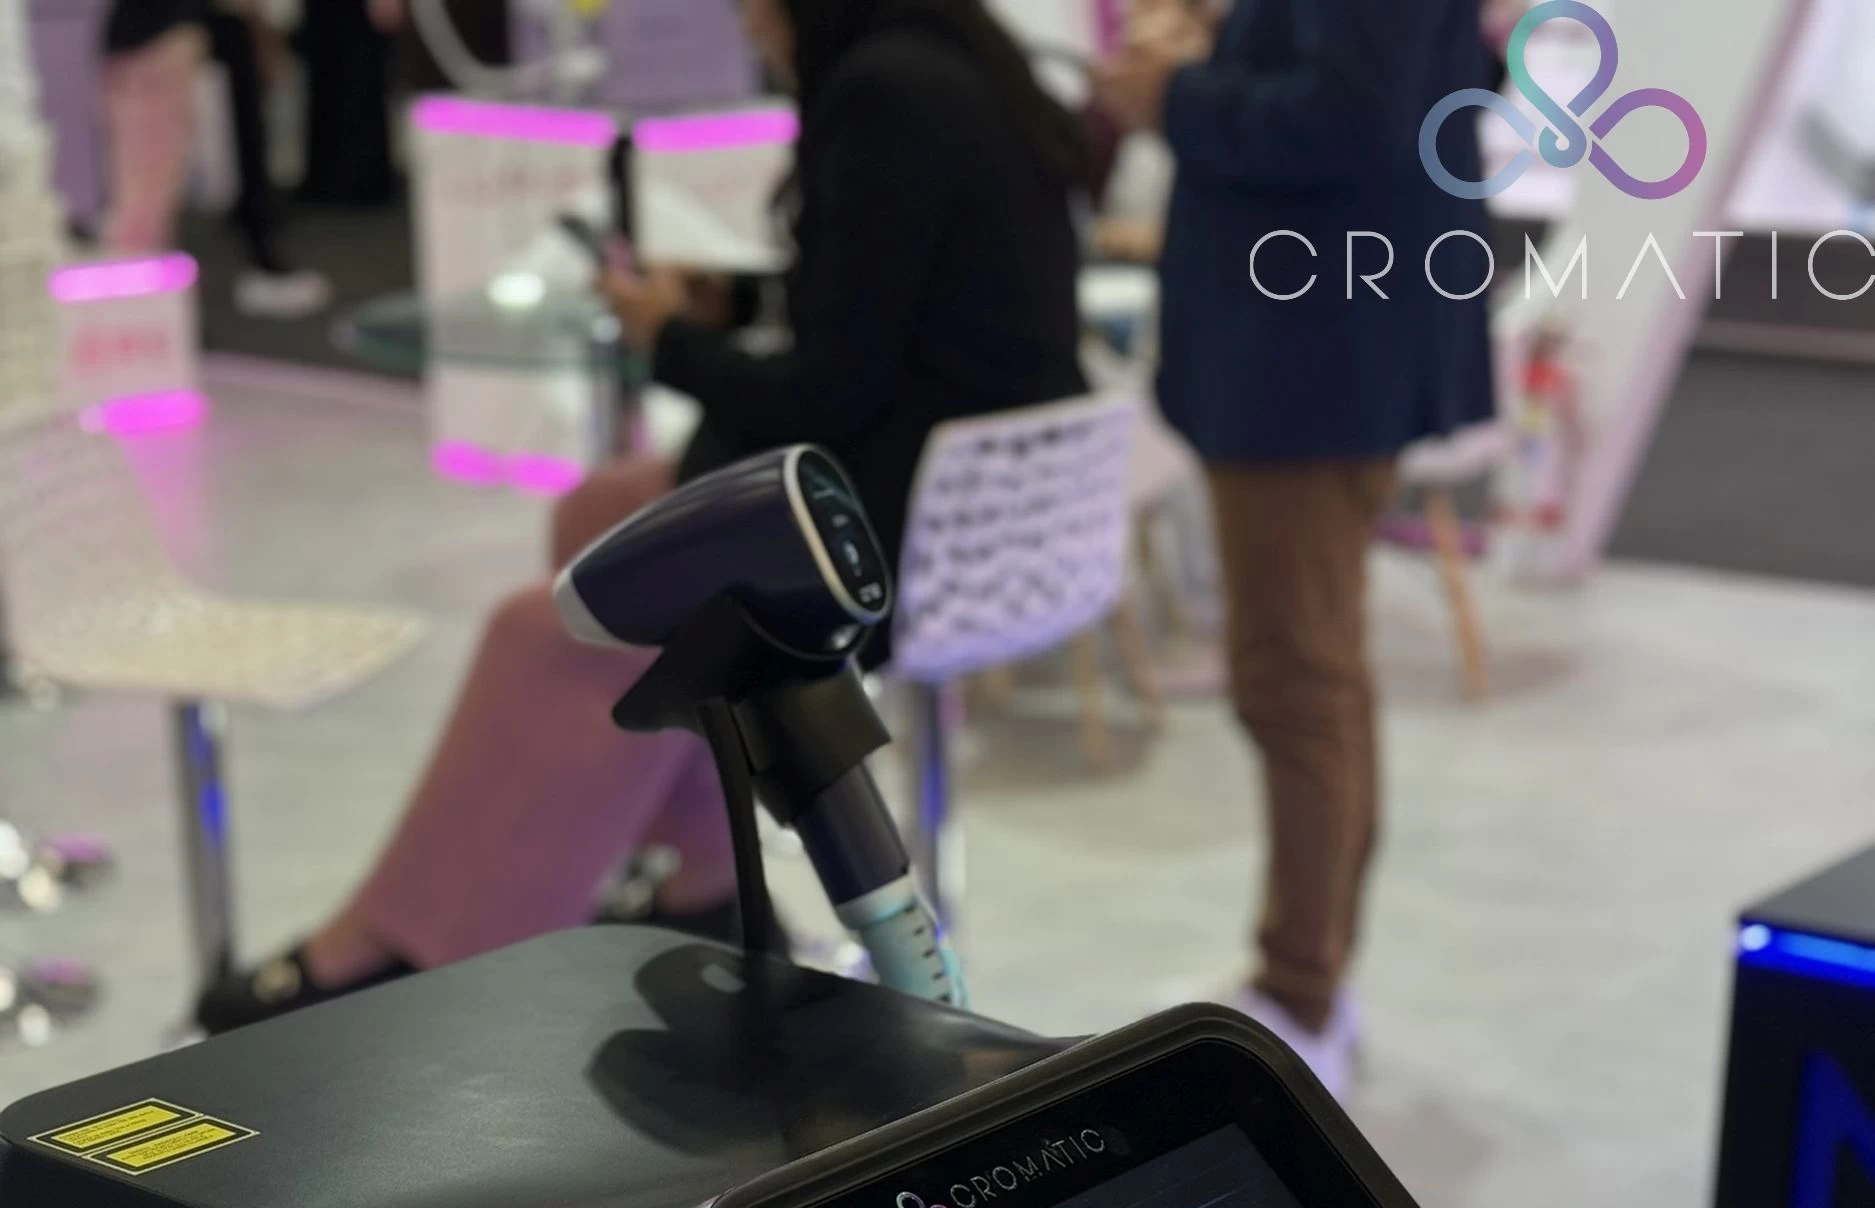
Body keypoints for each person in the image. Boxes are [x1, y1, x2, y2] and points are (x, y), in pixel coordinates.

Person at [199, 0, 1088, 1031]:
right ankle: (706, 884)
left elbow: (825, 391)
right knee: (600, 510)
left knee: (546, 629)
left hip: (898, 536)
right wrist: (734, 309)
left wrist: (667, 340)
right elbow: (893, 306)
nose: (747, 21)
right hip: (971, 494)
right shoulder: (951, 66)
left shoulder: (883, 93)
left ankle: (397, 950)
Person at [1096, 0, 1497, 1096]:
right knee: (1319, 672)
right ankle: (1308, 973)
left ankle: (1302, 989)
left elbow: (1353, 115)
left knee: (1296, 680)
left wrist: (1175, 94)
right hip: (1326, 340)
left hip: (1307, 355)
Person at [99, 0, 332, 317]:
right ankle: (133, 316)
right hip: (161, 37)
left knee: (142, 188)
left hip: (149, 36)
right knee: (146, 195)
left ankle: (137, 313)